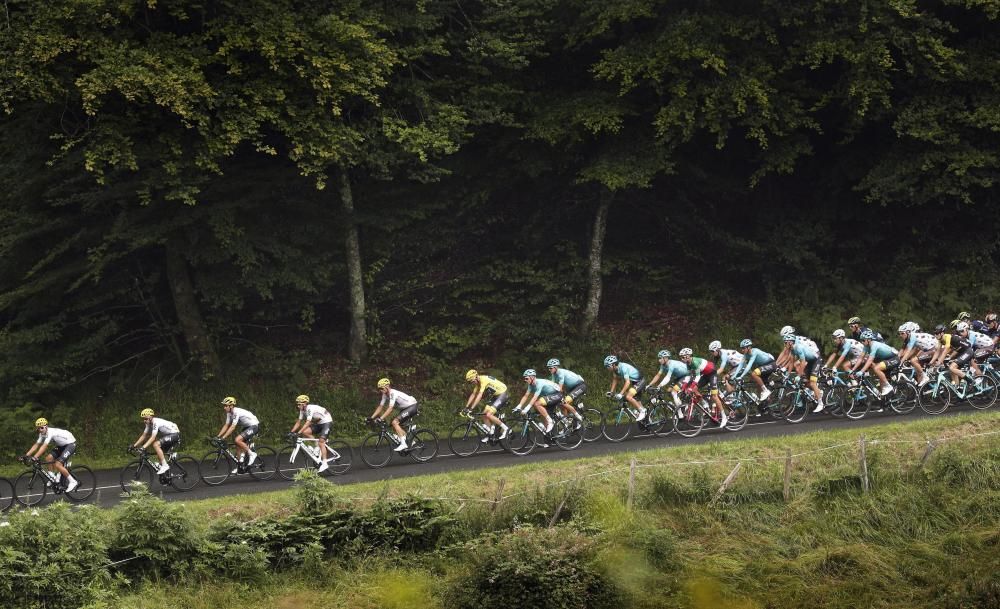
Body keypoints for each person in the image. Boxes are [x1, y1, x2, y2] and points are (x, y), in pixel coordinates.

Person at [24, 418, 79, 492]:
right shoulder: (42, 434)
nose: (40, 430)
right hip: (61, 445)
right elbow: (36, 445)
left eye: (42, 427)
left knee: (58, 464)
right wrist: (26, 455)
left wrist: (35, 457)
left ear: (46, 426)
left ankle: (73, 482)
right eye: (38, 428)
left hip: (70, 444)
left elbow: (44, 446)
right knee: (48, 458)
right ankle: (53, 478)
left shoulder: (50, 432)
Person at [678, 348, 727, 428]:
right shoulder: (688, 363)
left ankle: (724, 417)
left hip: (712, 373)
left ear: (688, 356)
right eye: (681, 357)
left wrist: (690, 388)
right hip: (705, 374)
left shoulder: (694, 362)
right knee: (694, 389)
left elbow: (696, 377)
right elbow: (689, 376)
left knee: (714, 396)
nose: (681, 359)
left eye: (683, 357)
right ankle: (704, 403)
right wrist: (683, 388)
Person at [370, 379, 421, 452]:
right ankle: (409, 441)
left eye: (381, 388)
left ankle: (403, 444)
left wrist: (381, 418)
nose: (380, 390)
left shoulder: (392, 393)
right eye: (379, 389)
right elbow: (380, 406)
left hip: (412, 406)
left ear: (387, 387)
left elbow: (390, 408)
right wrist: (371, 417)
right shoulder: (385, 394)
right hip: (405, 408)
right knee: (393, 424)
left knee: (395, 422)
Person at [214, 396, 260, 472]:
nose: (224, 408)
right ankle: (240, 466)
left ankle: (252, 454)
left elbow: (232, 427)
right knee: (238, 445)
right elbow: (226, 425)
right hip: (247, 426)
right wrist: (218, 436)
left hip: (254, 426)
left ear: (231, 406)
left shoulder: (236, 412)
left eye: (226, 406)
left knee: (237, 439)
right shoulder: (229, 413)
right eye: (224, 406)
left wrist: (223, 437)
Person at [463, 369, 510, 442]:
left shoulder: (483, 380)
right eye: (470, 382)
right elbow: (473, 395)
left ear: (476, 377)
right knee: (484, 415)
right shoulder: (478, 383)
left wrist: (471, 408)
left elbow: (479, 396)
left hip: (503, 394)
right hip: (495, 396)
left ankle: (507, 429)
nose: (472, 383)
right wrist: (466, 407)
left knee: (488, 414)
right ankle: (491, 434)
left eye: (472, 381)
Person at [290, 395, 334, 471]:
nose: (297, 406)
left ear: (304, 404)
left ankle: (324, 464)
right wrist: (291, 432)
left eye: (299, 404)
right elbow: (298, 422)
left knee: (321, 442)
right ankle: (317, 448)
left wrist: (298, 432)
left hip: (327, 422)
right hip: (319, 423)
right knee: (305, 432)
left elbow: (308, 423)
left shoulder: (309, 408)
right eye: (297, 404)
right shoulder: (302, 410)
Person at [851, 330, 900, 396]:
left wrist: (861, 371)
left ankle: (889, 386)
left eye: (863, 340)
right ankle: (885, 398)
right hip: (885, 359)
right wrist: (853, 370)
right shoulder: (866, 347)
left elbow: (870, 360)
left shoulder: (874, 345)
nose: (862, 342)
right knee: (881, 383)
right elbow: (860, 358)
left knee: (877, 368)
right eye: (861, 340)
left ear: (868, 340)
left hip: (894, 358)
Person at [513, 369, 563, 433]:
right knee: (542, 413)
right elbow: (526, 396)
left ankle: (550, 421)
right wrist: (518, 406)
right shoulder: (530, 385)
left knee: (537, 404)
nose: (525, 380)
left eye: (526, 378)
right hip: (549, 396)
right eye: (524, 378)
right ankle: (549, 437)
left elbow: (534, 398)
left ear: (532, 377)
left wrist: (526, 409)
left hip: (557, 394)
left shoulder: (539, 383)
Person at [132, 408, 180, 475]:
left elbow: (153, 437)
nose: (144, 421)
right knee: (159, 451)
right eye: (143, 419)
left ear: (151, 417)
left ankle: (165, 466)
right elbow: (144, 436)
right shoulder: (148, 424)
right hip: (169, 435)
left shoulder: (156, 422)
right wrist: (133, 446)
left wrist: (143, 447)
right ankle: (168, 475)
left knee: (155, 444)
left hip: (174, 434)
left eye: (146, 419)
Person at [784, 333, 824, 410]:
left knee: (812, 382)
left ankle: (820, 404)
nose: (785, 344)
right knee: (806, 382)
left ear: (791, 342)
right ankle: (819, 392)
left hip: (816, 360)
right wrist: (787, 374)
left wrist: (798, 376)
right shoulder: (792, 350)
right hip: (810, 361)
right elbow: (791, 363)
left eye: (786, 342)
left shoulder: (798, 348)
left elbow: (802, 362)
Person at [603, 355, 647, 422]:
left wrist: (620, 393)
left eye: (608, 366)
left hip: (640, 381)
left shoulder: (623, 367)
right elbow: (615, 380)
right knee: (634, 400)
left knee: (628, 396)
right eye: (606, 366)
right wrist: (611, 392)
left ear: (614, 364)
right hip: (635, 383)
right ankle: (646, 419)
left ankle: (642, 411)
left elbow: (627, 383)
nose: (607, 368)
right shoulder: (615, 370)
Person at [896, 323, 938, 387]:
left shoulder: (912, 336)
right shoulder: (907, 338)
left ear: (908, 332)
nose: (900, 335)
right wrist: (897, 360)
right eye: (899, 333)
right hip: (928, 349)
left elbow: (908, 351)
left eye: (902, 333)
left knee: (913, 360)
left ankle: (925, 377)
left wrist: (901, 362)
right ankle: (921, 388)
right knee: (916, 367)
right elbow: (903, 351)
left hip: (934, 349)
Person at [547, 358, 586, 424]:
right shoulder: (554, 374)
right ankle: (567, 424)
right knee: (562, 404)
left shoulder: (560, 372)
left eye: (550, 368)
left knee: (564, 402)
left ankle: (579, 417)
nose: (549, 369)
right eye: (548, 368)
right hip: (572, 388)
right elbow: (552, 385)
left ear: (556, 367)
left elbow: (560, 388)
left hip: (579, 386)